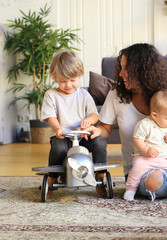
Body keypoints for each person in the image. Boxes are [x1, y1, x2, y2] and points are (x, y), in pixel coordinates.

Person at [85, 43, 167, 201]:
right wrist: (97, 131)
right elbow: (105, 128)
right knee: (154, 183)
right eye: (120, 67)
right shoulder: (116, 93)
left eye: (126, 68)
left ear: (142, 70)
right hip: (142, 166)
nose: (121, 74)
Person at [41, 50, 107, 198]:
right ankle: (52, 179)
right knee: (58, 147)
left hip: (83, 136)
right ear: (54, 77)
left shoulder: (83, 94)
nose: (68, 85)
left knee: (99, 143)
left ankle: (100, 177)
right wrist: (58, 129)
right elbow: (51, 116)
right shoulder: (51, 95)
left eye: (72, 80)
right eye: (63, 81)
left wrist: (89, 120)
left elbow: (94, 114)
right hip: (63, 136)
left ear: (79, 76)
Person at [124, 90, 167, 201]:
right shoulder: (144, 124)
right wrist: (147, 149)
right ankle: (130, 190)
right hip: (145, 158)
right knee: (136, 170)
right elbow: (137, 139)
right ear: (154, 115)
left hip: (164, 158)